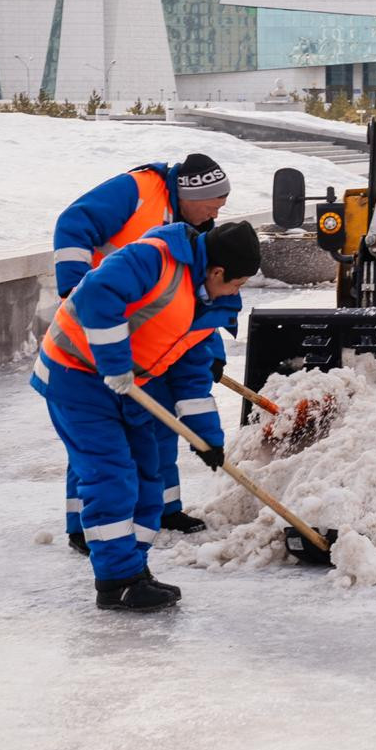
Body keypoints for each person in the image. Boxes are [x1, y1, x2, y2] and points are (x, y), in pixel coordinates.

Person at [31, 220, 260, 611]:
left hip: (132, 384)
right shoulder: (154, 258)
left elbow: (191, 378)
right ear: (217, 271)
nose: (236, 293)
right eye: (237, 284)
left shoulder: (206, 304)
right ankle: (116, 581)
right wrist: (115, 363)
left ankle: (134, 569)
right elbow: (96, 295)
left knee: (147, 474)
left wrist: (207, 440)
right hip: (76, 375)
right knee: (111, 477)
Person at [53, 153, 234, 551]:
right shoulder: (134, 190)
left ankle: (166, 509)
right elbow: (73, 224)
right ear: (189, 194)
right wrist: (74, 290)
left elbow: (199, 297)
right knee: (97, 436)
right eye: (213, 201)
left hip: (149, 335)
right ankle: (83, 523)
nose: (218, 210)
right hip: (102, 330)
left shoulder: (196, 226)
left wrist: (209, 351)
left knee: (160, 417)